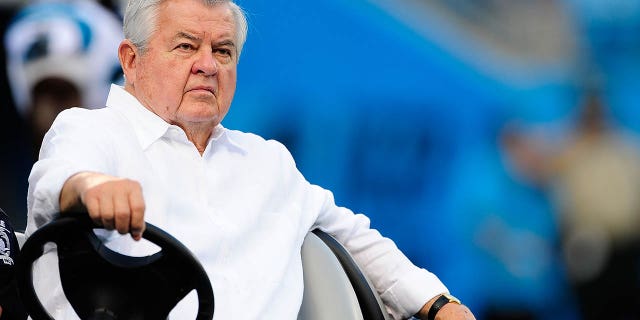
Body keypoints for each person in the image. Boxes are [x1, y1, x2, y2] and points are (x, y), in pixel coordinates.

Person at [25, 0, 476, 319]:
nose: (208, 65)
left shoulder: (268, 163)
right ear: (131, 60)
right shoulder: (90, 131)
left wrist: (438, 304)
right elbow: (60, 180)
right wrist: (92, 188)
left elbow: (353, 236)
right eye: (185, 47)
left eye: (222, 51)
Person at [502, 89, 640, 320]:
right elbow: (532, 165)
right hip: (586, 242)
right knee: (593, 306)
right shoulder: (568, 148)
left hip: (628, 246)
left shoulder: (625, 149)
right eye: (588, 111)